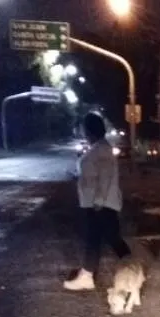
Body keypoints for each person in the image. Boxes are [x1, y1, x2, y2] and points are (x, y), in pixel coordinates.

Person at [63, 112, 131, 291]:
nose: (83, 132)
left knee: (102, 239)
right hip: (97, 203)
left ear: (90, 130)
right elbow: (92, 175)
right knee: (103, 238)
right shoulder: (99, 148)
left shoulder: (101, 150)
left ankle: (91, 276)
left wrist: (98, 202)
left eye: (84, 129)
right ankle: (91, 275)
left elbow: (104, 178)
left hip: (100, 204)